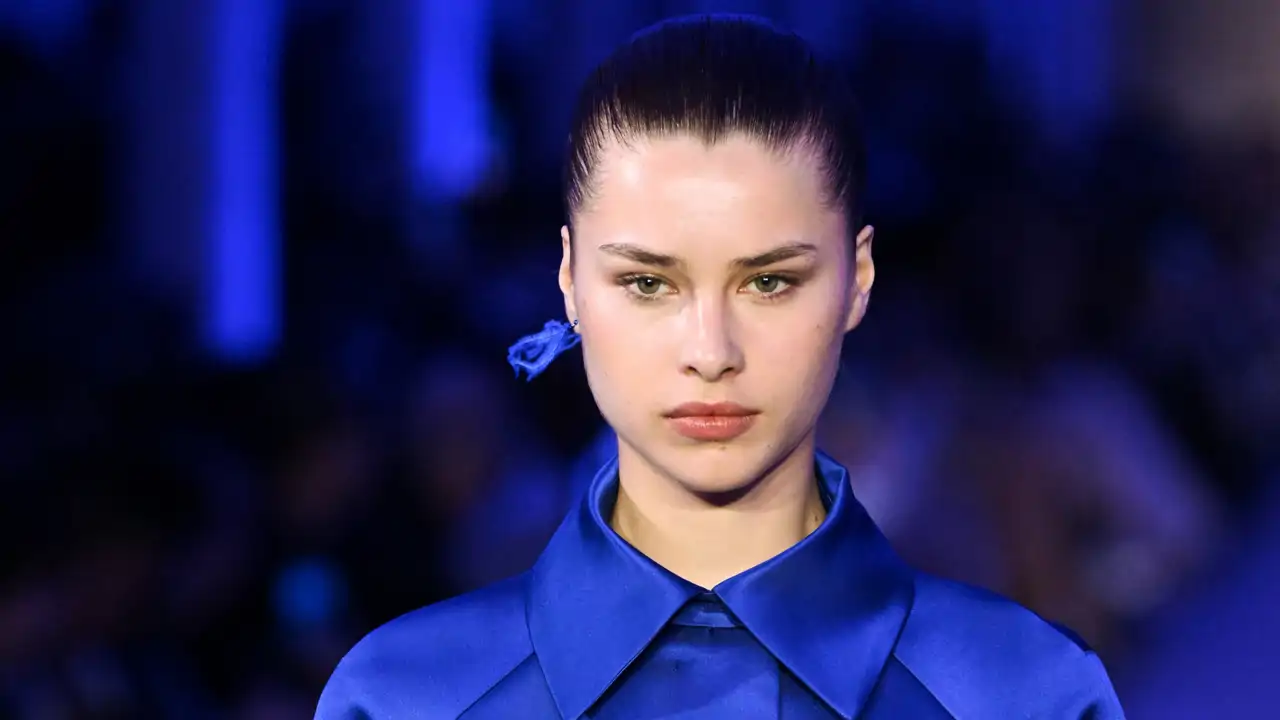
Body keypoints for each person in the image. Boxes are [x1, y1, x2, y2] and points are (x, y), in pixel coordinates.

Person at [315, 14, 1125, 719]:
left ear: (857, 281)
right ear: (570, 282)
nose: (710, 352)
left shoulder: (1026, 693)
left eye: (769, 281)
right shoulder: (403, 699)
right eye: (648, 283)